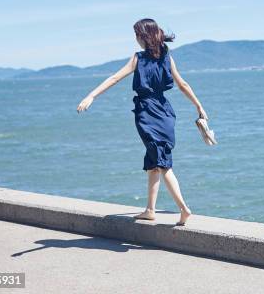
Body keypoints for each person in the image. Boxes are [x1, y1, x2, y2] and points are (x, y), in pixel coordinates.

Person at [76, 18, 209, 226]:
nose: (136, 39)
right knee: (154, 161)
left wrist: (91, 96)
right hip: (166, 112)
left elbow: (114, 78)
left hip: (147, 113)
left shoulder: (138, 58)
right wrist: (199, 106)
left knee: (162, 163)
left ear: (144, 36)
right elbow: (182, 84)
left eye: (137, 35)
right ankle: (150, 209)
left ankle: (184, 209)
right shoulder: (167, 56)